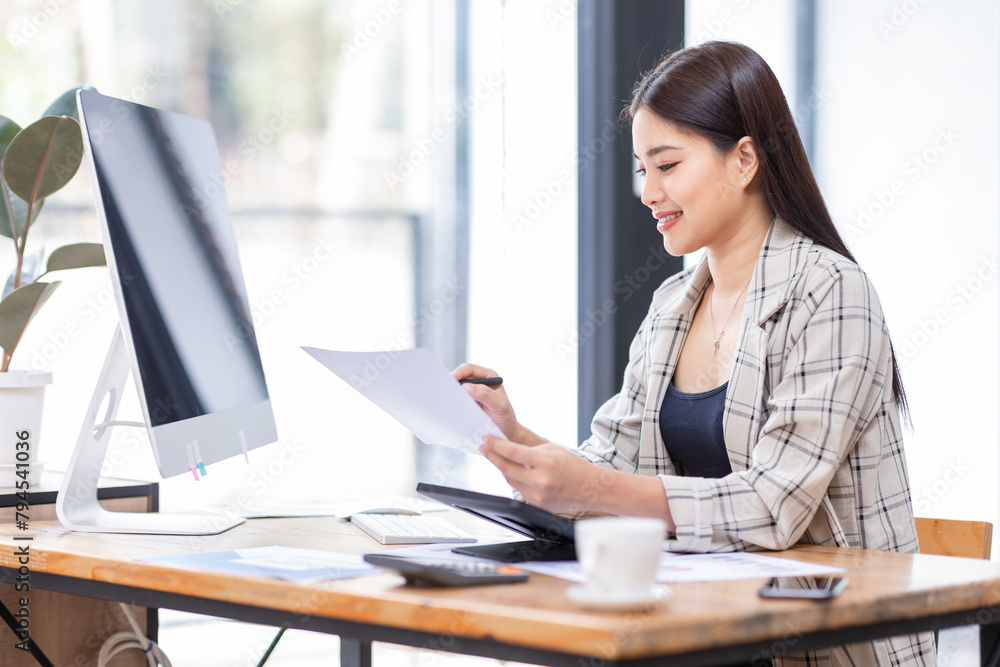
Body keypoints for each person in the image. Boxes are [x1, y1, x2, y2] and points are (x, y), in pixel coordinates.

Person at [453, 41, 934, 666]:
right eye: (640, 169)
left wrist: (594, 484)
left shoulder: (830, 291)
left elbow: (772, 506)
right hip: (704, 635)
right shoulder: (673, 303)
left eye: (668, 164)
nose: (648, 192)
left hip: (822, 649)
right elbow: (612, 465)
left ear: (744, 160)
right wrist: (512, 433)